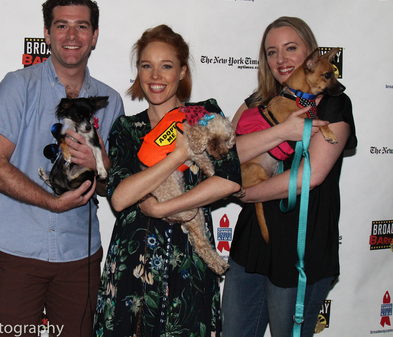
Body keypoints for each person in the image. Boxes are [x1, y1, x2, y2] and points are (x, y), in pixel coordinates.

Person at [0, 0, 124, 337]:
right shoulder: (19, 86)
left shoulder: (110, 100)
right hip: (20, 251)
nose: (72, 36)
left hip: (79, 255)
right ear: (46, 33)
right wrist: (51, 202)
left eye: (82, 26)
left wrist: (100, 164)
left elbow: (113, 187)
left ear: (95, 35)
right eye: (62, 25)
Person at [94, 24, 241, 336]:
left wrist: (164, 208)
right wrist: (177, 155)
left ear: (182, 71)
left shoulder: (204, 115)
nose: (155, 76)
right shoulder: (126, 127)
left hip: (189, 262)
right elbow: (120, 198)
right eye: (147, 66)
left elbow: (229, 182)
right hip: (135, 263)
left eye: (166, 66)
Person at [222, 17, 357, 337]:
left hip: (302, 247)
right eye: (271, 52)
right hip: (251, 243)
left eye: (290, 48)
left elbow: (309, 176)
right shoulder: (257, 101)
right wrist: (281, 131)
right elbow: (225, 155)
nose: (280, 59)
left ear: (312, 56)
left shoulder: (335, 104)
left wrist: (247, 194)